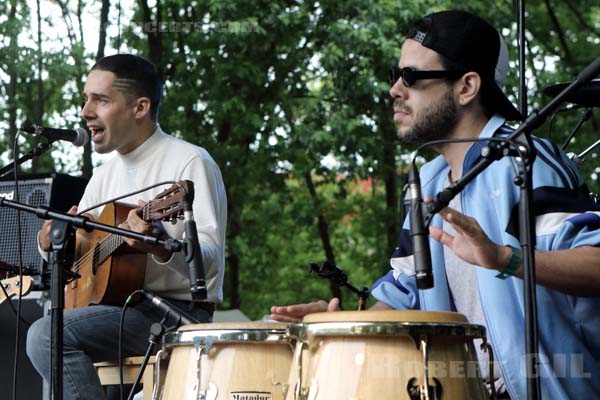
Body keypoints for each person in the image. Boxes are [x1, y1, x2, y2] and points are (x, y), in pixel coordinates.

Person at [271, 10, 600, 400]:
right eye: (395, 75)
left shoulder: (525, 161)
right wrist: (339, 327)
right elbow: (404, 298)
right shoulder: (426, 183)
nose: (395, 89)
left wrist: (503, 258)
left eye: (410, 77)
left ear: (467, 87)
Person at [26, 54, 227, 399]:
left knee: (46, 335)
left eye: (100, 100)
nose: (86, 111)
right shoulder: (103, 178)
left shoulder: (188, 161)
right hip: (113, 311)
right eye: (86, 98)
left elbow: (209, 262)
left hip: (172, 311)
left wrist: (160, 246)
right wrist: (51, 245)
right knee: (51, 330)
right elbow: (78, 262)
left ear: (140, 107)